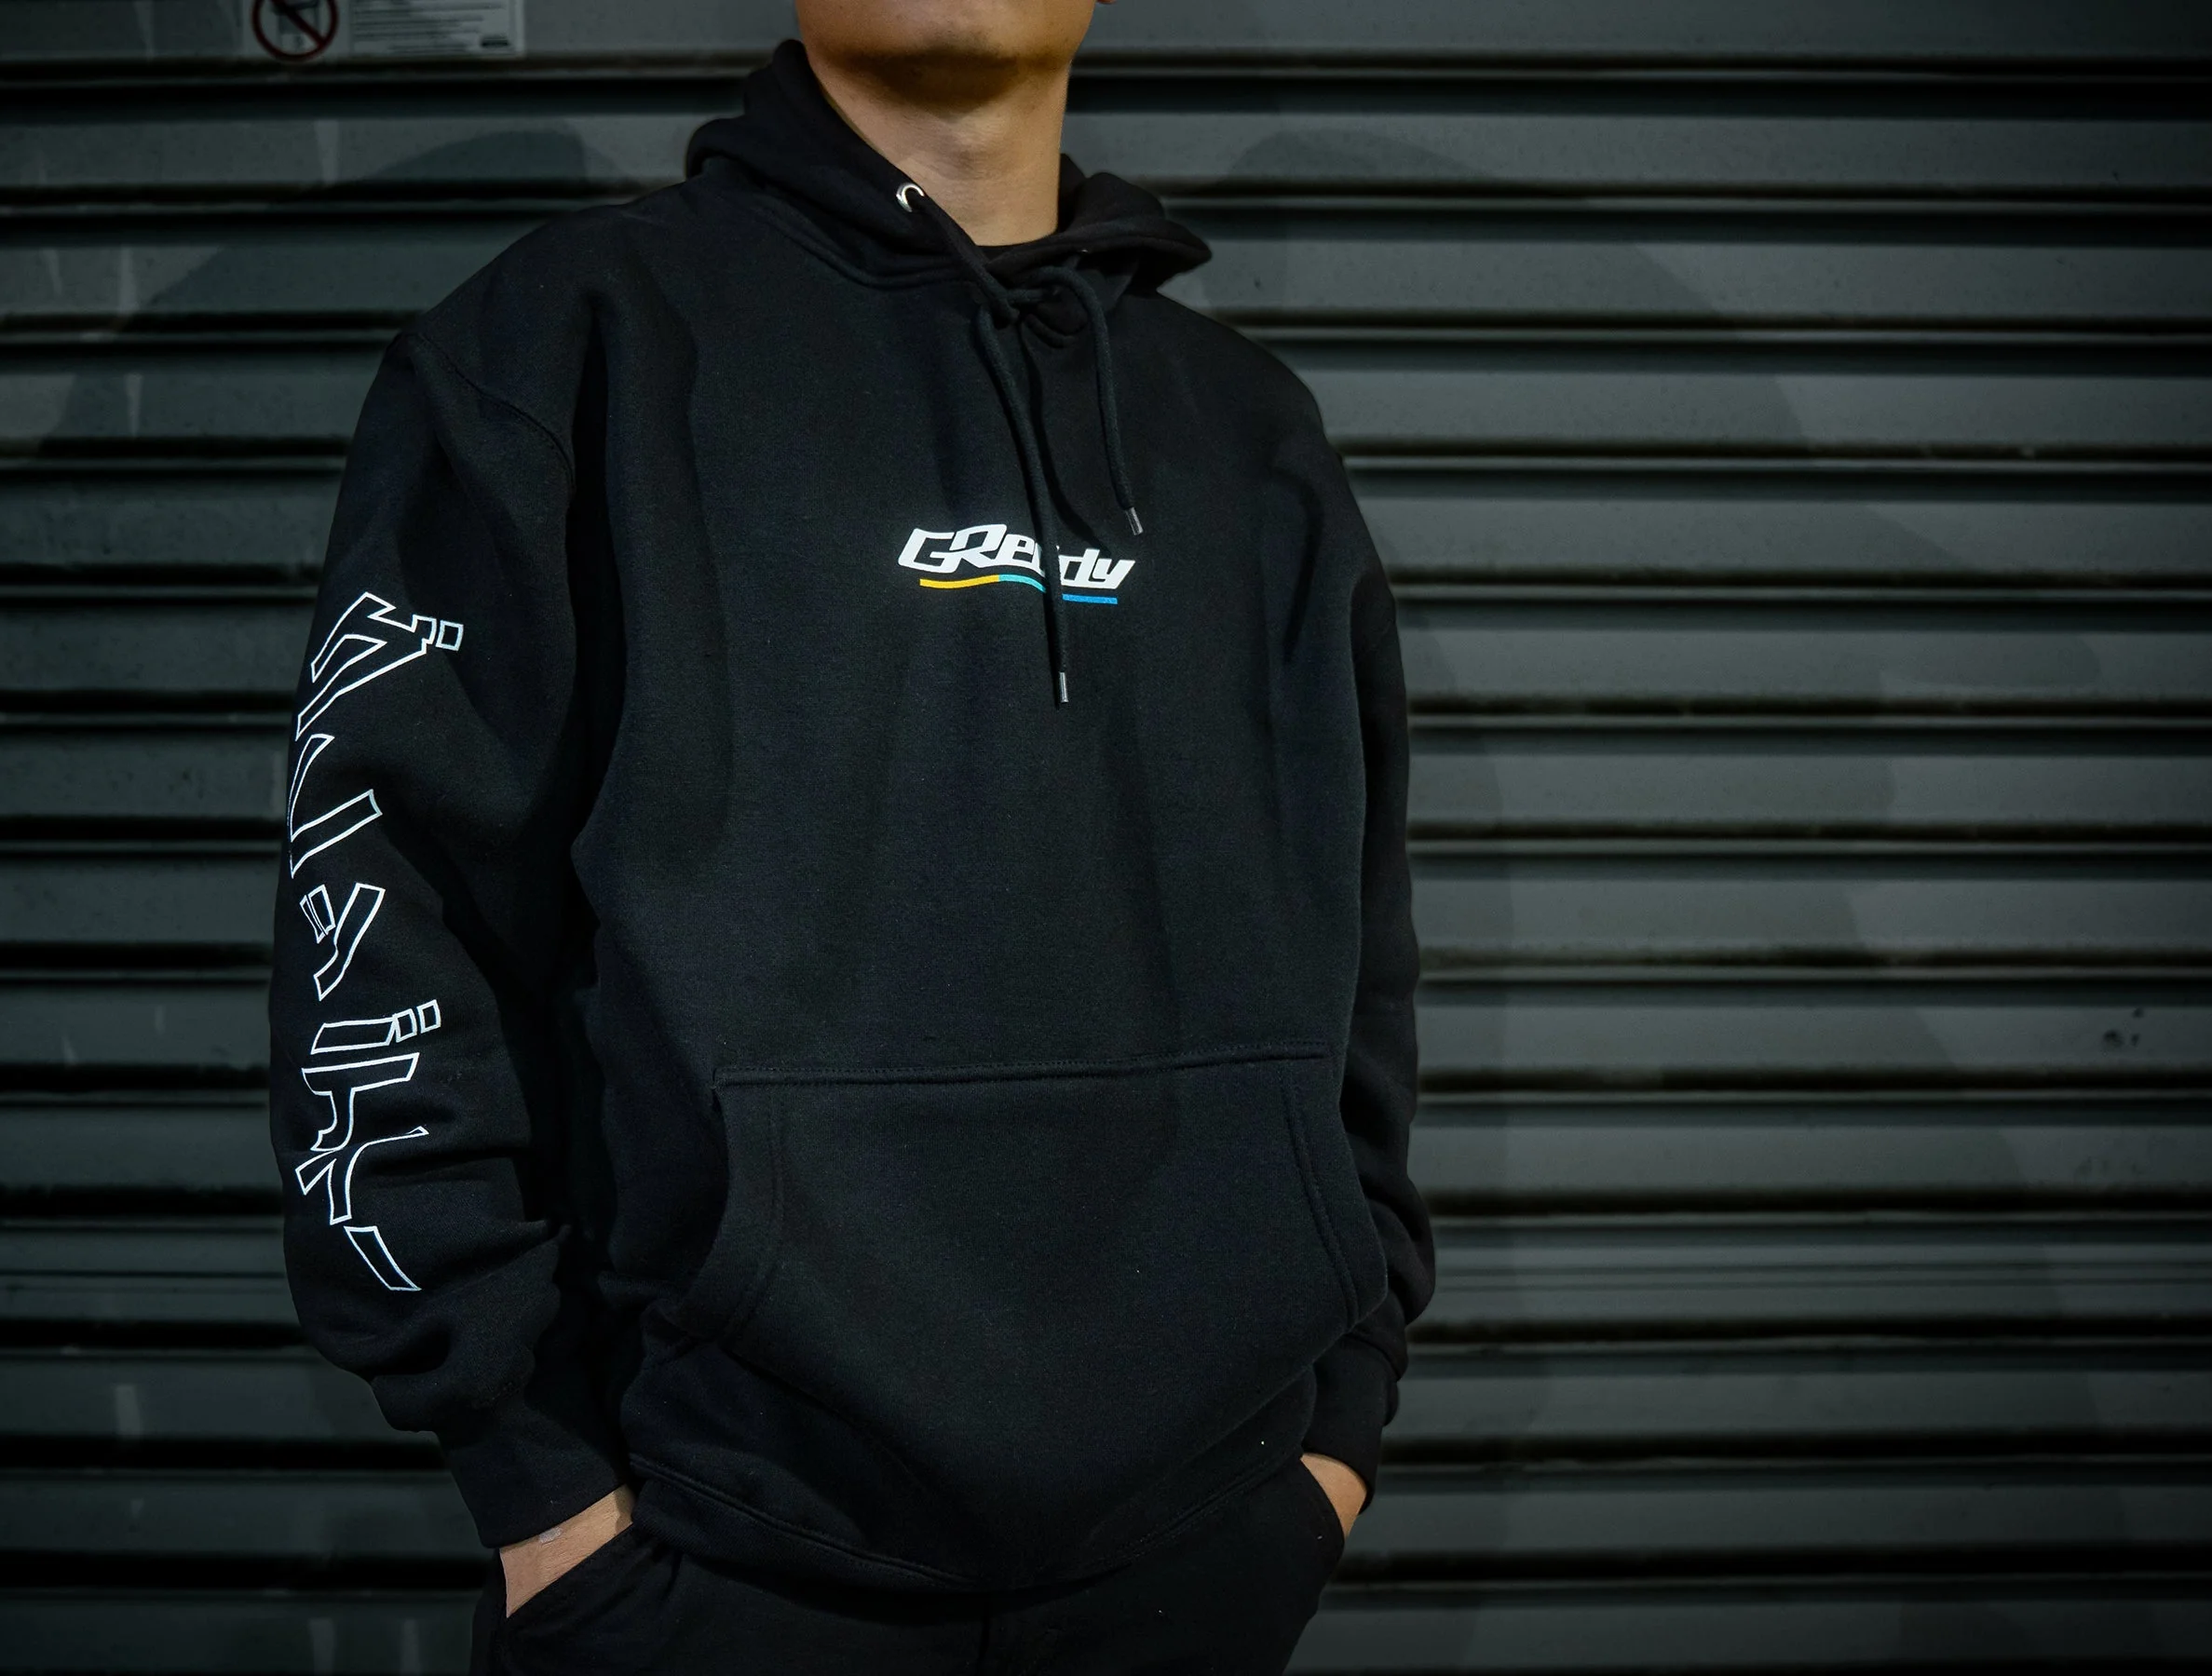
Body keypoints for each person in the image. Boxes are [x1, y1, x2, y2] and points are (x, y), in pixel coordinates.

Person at [267, 1, 1433, 1669]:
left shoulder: (1251, 436)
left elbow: (1360, 941)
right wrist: (536, 1481)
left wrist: (1339, 1432)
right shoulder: (565, 345)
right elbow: (390, 914)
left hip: (1206, 1556)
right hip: (708, 1561)